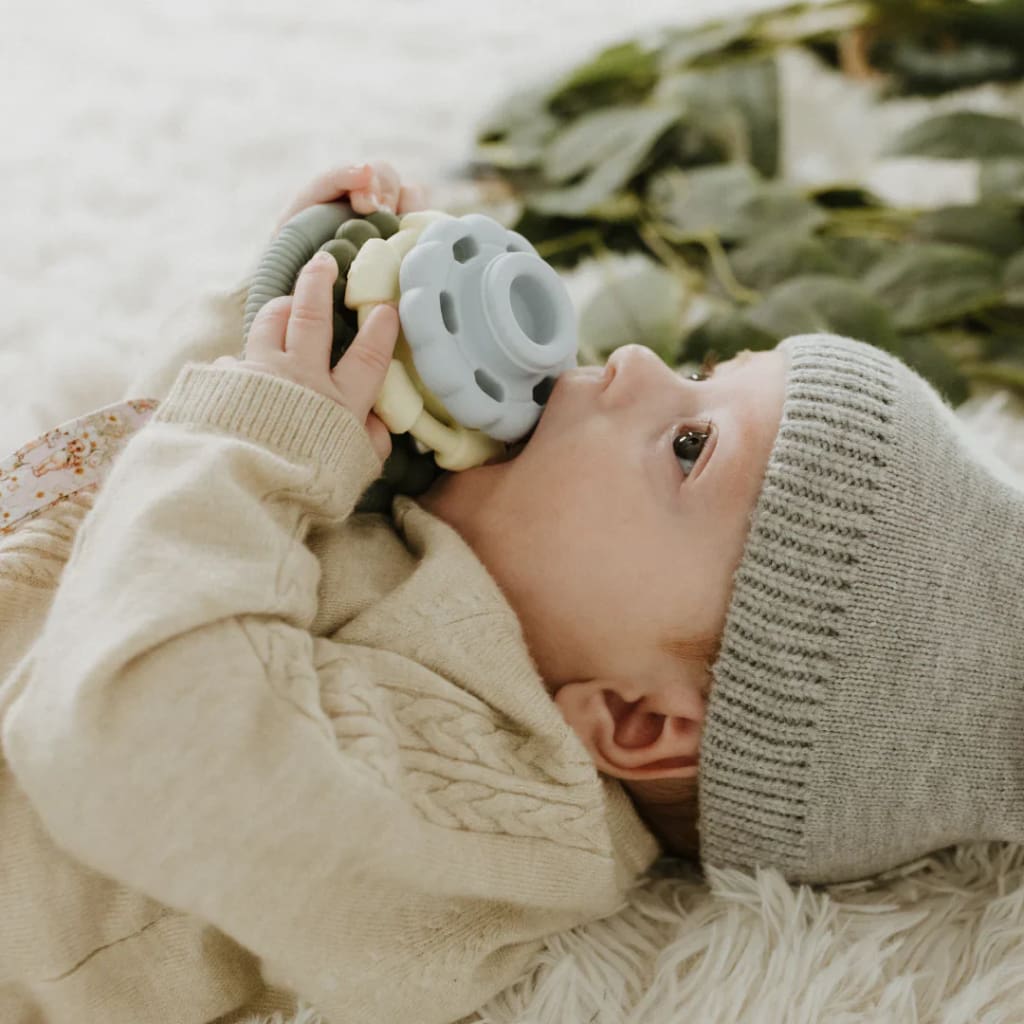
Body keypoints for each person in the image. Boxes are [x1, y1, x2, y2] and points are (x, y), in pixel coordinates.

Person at [2, 157, 1022, 1024]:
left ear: (636, 716)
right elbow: (121, 513)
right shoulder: (438, 532)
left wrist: (256, 437)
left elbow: (131, 720)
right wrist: (286, 320)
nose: (628, 359)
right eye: (697, 365)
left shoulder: (490, 814)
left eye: (689, 443)